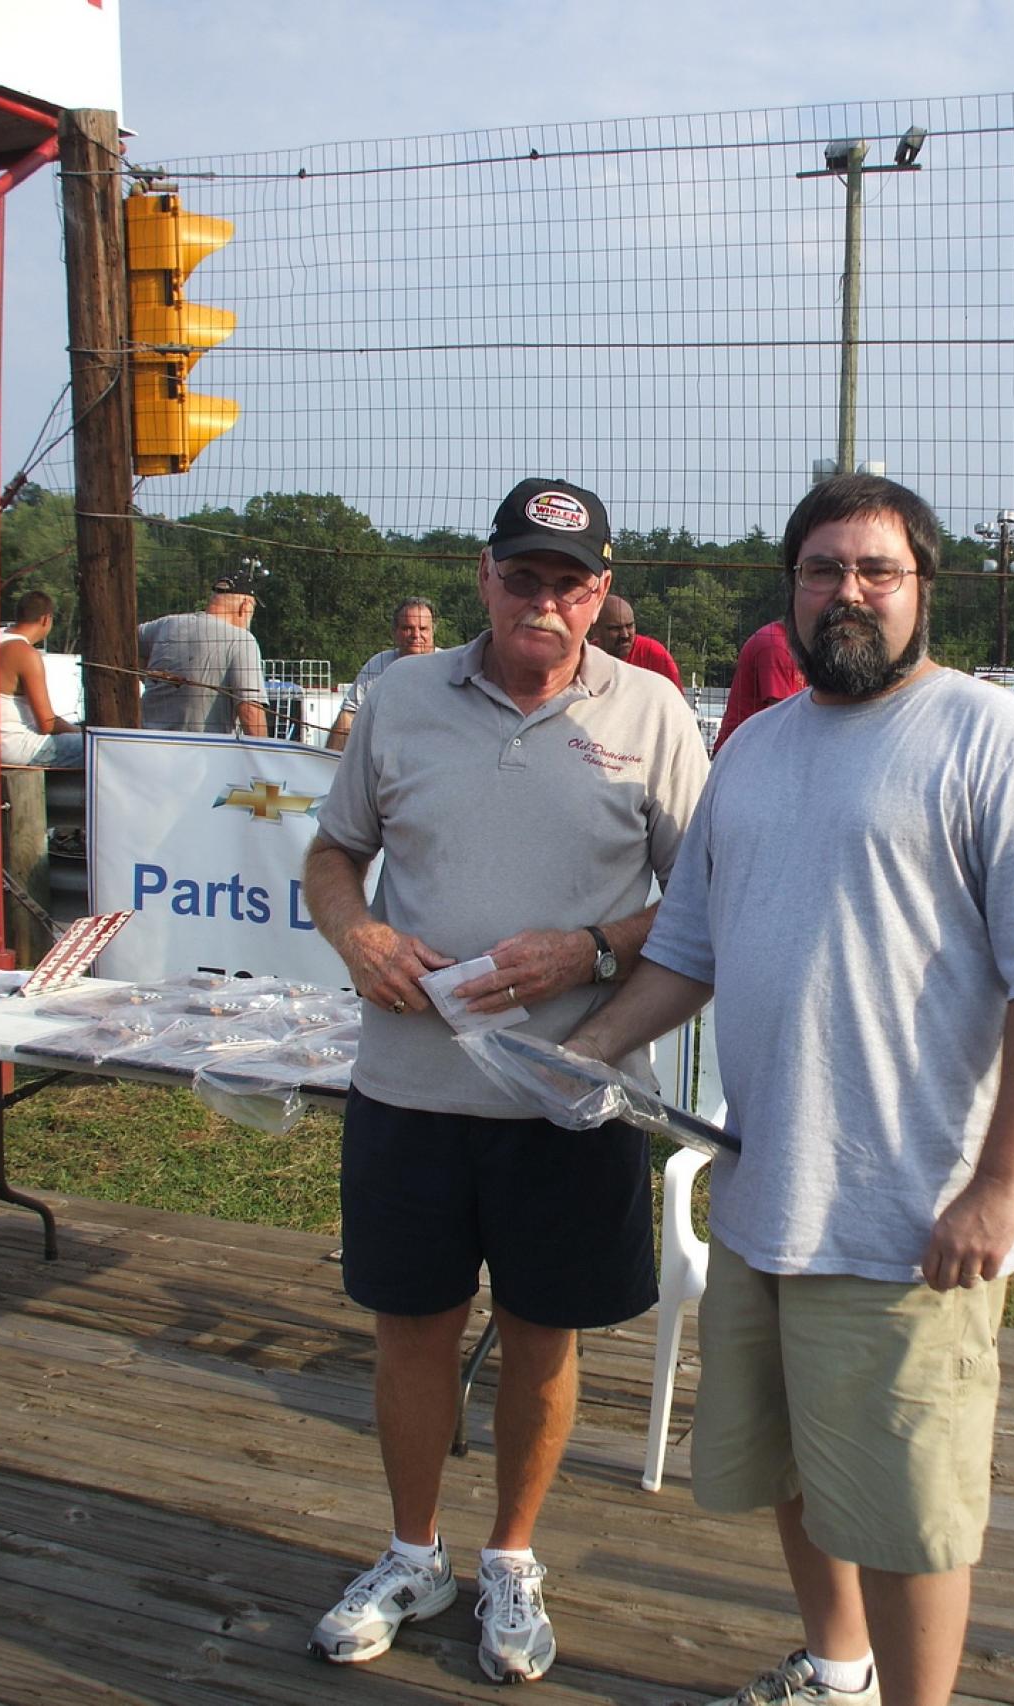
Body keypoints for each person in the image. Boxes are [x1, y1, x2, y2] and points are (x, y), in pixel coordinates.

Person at [565, 472, 1014, 1706]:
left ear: (923, 587)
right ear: (791, 588)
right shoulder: (753, 749)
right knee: (794, 1470)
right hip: (765, 1195)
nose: (848, 591)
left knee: (907, 1511)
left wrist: (999, 1185)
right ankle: (836, 1670)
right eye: (822, 568)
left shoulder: (994, 741)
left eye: (877, 569)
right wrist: (589, 1046)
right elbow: (688, 949)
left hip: (911, 1217)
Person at [300, 477, 709, 1685]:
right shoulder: (401, 695)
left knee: (542, 1334)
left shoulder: (650, 708)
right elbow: (332, 853)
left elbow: (703, 897)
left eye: (567, 583)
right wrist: (359, 935)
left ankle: (511, 1555)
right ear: (482, 576)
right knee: (411, 1329)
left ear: (601, 589)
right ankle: (410, 1550)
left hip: (569, 1099)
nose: (543, 600)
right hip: (409, 1088)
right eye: (521, 575)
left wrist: (589, 951)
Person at [138, 569, 269, 737]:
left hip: (147, 743)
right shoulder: (242, 640)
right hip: (203, 748)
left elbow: (126, 640)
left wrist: (147, 674)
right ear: (245, 607)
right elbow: (250, 711)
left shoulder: (165, 625)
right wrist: (265, 751)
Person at [0, 590, 83, 766]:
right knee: (97, 746)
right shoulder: (24, 653)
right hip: (15, 748)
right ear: (46, 619)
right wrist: (81, 731)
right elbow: (47, 724)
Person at [325, 597, 437, 750]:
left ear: (432, 631)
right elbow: (348, 715)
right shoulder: (378, 664)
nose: (416, 635)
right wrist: (329, 760)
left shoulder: (449, 666)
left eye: (423, 628)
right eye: (407, 628)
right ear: (395, 632)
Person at [711, 619, 805, 754]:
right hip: (742, 753)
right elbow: (784, 718)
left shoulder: (798, 647)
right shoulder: (775, 645)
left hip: (758, 748)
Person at [589, 593, 684, 690]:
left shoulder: (654, 654)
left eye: (629, 626)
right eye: (615, 628)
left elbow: (676, 697)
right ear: (595, 630)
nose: (625, 635)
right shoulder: (587, 659)